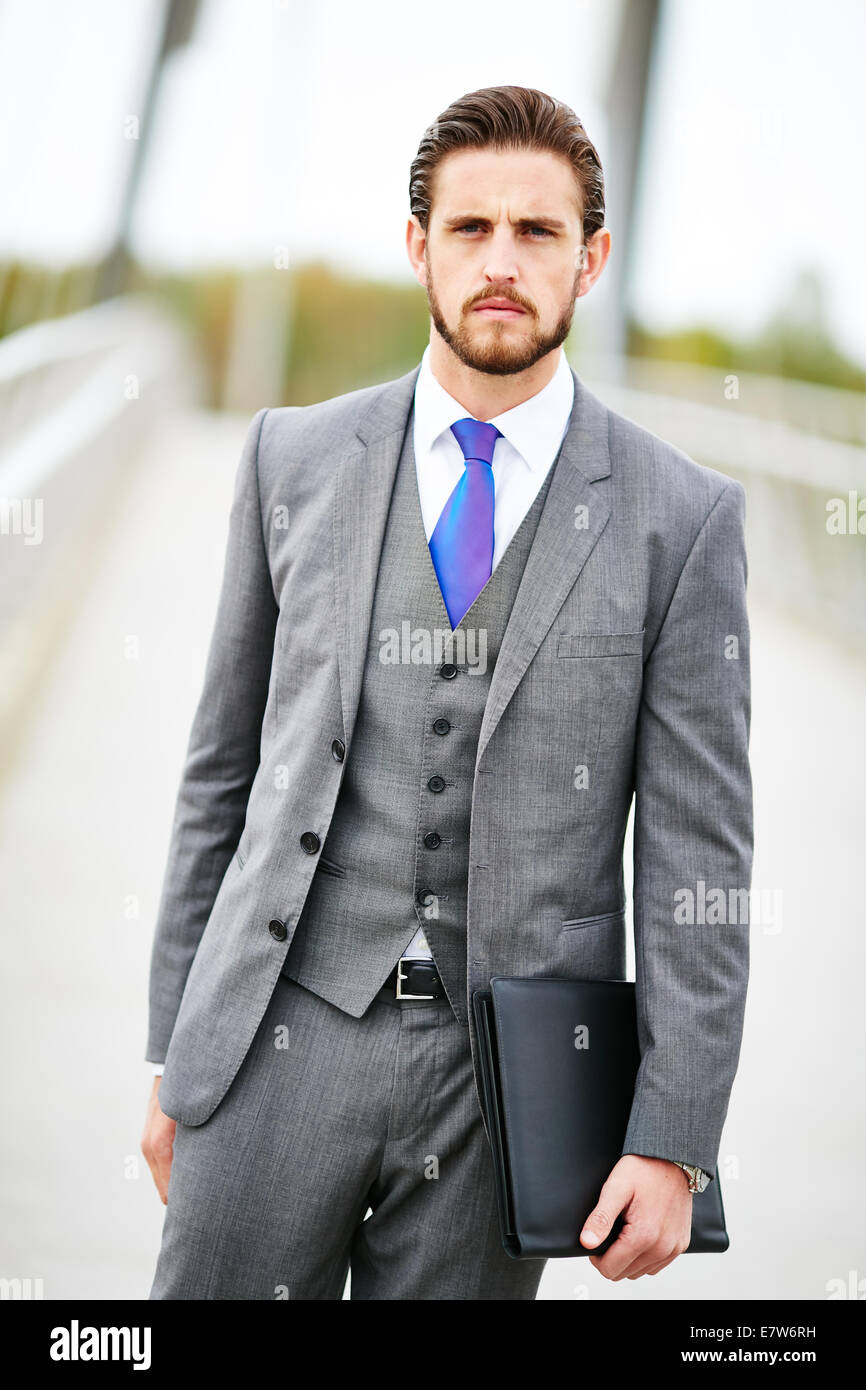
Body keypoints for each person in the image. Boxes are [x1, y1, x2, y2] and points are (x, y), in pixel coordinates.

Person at [142, 85, 752, 1300]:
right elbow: (220, 774)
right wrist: (173, 1055)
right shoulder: (291, 459)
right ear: (418, 244)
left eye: (536, 233)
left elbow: (698, 854)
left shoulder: (679, 519)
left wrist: (672, 1134)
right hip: (276, 1032)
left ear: (591, 259)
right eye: (470, 228)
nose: (500, 262)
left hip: (506, 1080)